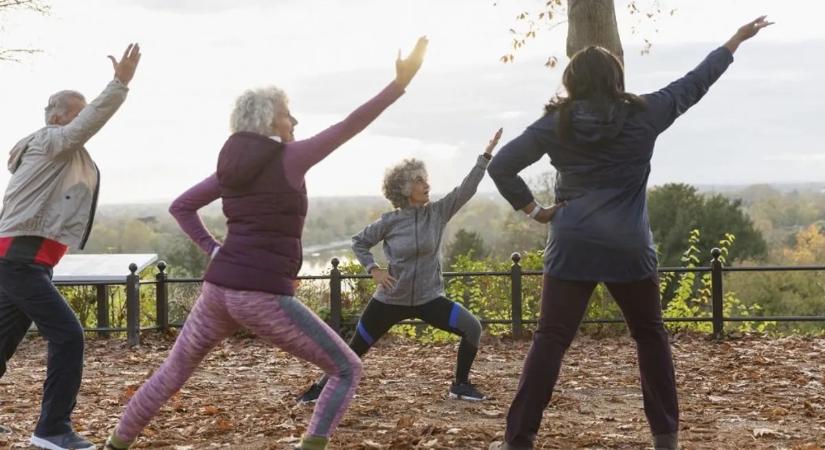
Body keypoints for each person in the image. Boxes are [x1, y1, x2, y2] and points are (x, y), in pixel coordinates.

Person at [104, 37, 428, 450]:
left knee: (172, 372)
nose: (295, 121)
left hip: (217, 291)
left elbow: (181, 206)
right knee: (346, 369)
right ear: (272, 120)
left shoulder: (229, 165)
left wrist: (214, 249)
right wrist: (398, 84)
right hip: (260, 296)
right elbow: (349, 125)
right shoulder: (289, 157)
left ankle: (115, 443)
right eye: (288, 114)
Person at [486, 17, 773, 450]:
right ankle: (666, 440)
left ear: (572, 81)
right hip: (629, 247)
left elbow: (501, 165)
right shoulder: (645, 114)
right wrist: (735, 39)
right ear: (616, 78)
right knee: (650, 336)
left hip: (573, 245)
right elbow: (695, 82)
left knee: (550, 339)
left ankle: (518, 441)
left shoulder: (555, 123)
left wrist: (535, 211)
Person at [0, 44, 141, 450]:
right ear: (57, 116)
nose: (84, 122)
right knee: (68, 335)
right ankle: (52, 430)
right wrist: (119, 85)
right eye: (78, 114)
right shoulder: (49, 141)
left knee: (3, 340)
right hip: (21, 259)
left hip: (25, 261)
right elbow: (90, 121)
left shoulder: (59, 152)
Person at [298, 128, 503, 404]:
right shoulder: (390, 221)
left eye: (425, 179)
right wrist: (374, 270)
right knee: (354, 350)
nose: (426, 185)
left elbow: (466, 189)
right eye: (419, 181)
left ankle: (460, 385)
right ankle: (321, 389)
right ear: (405, 188)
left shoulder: (438, 213)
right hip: (390, 300)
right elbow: (359, 242)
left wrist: (485, 155)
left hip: (429, 298)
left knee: (472, 328)